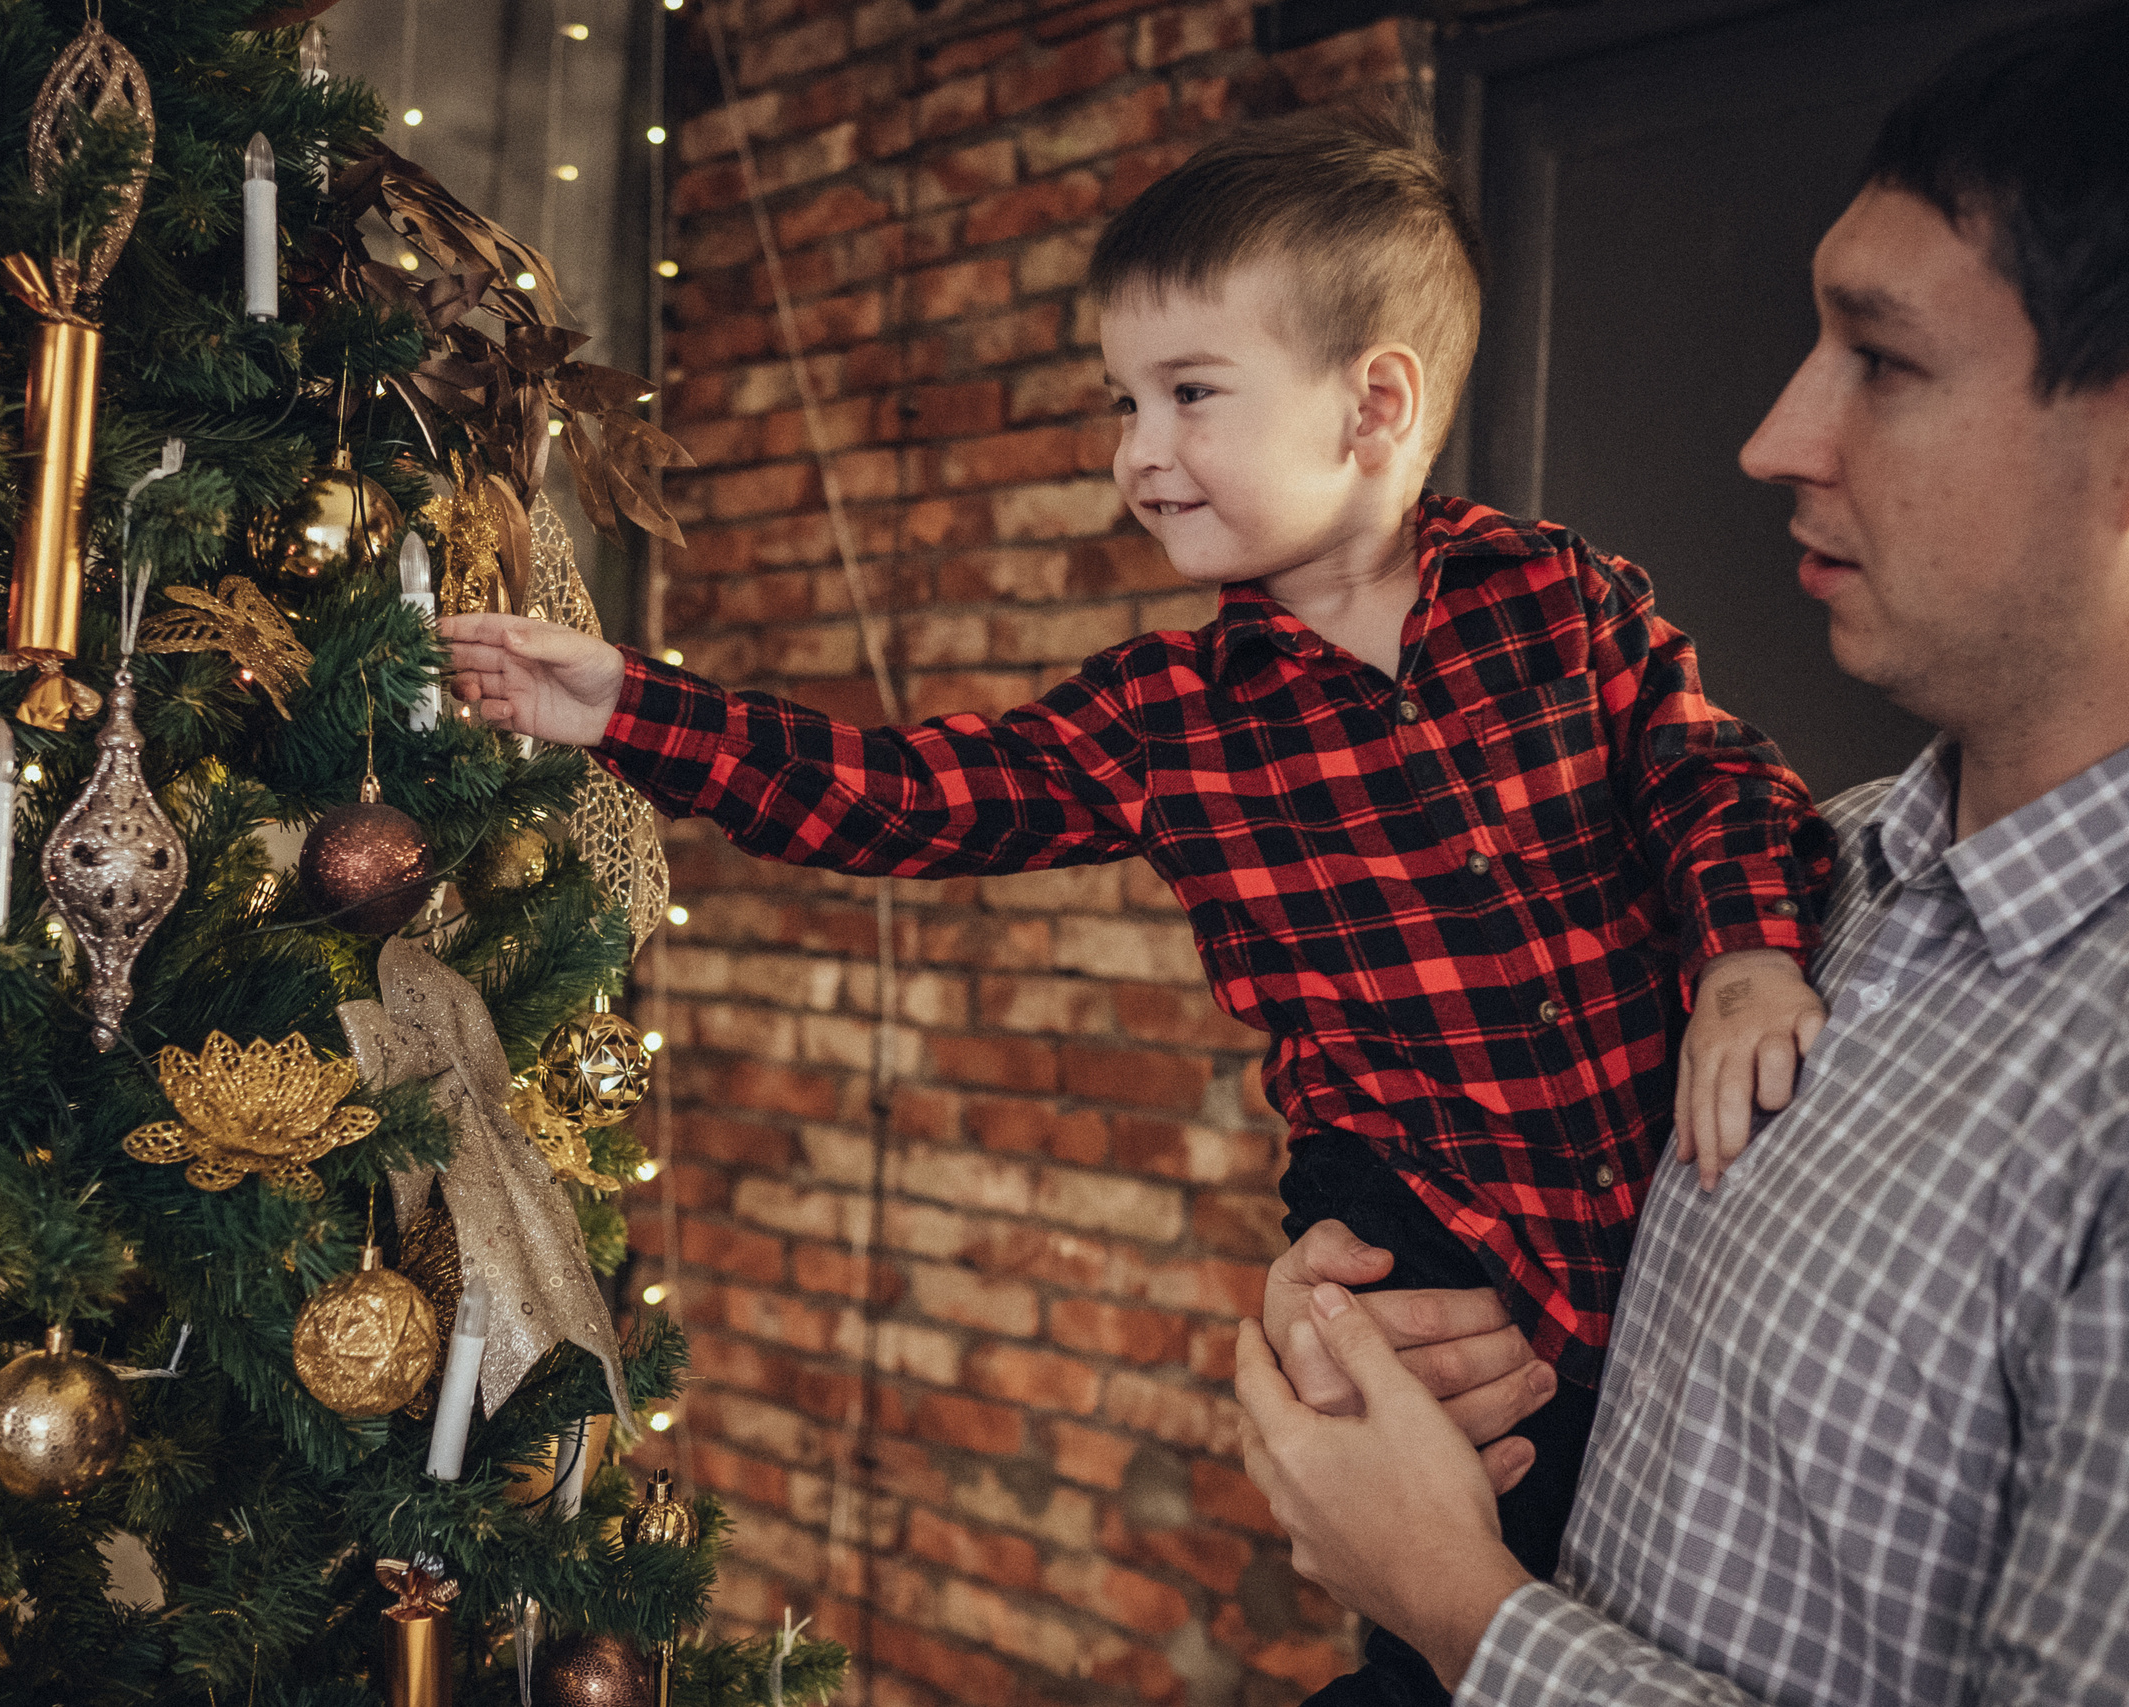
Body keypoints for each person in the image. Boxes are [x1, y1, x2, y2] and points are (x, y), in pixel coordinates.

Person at [444, 105, 1833, 1698]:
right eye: (1122, 401)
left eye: (1189, 395)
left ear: (1373, 404)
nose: (1135, 454)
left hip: (1667, 1241)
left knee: (1676, 1611)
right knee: (1452, 1635)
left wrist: (1743, 957)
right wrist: (629, 703)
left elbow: (1711, 778)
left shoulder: (1559, 597)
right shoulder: (1170, 714)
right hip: (1422, 1258)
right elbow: (906, 800)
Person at [1236, 9, 2129, 1702]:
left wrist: (1457, 1604)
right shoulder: (1803, 882)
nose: (1777, 436)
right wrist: (1403, 1313)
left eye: (1886, 357)